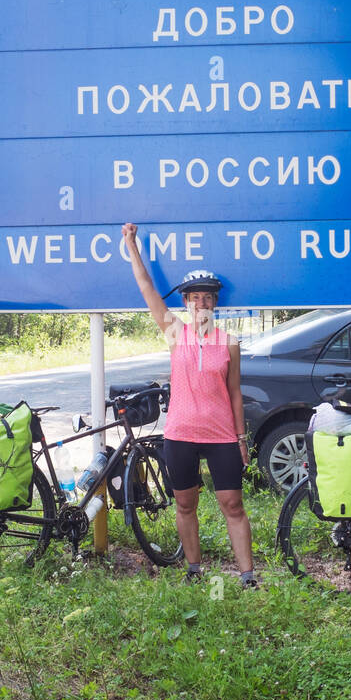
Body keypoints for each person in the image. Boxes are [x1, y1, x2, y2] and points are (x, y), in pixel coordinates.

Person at [121, 223, 256, 588]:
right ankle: (195, 570)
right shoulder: (174, 333)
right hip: (180, 433)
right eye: (195, 297)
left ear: (215, 303)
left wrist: (241, 438)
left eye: (208, 298)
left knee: (233, 504)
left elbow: (235, 393)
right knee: (185, 505)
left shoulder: (228, 342)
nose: (201, 303)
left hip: (222, 434)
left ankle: (247, 576)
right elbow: (147, 288)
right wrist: (131, 245)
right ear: (186, 302)